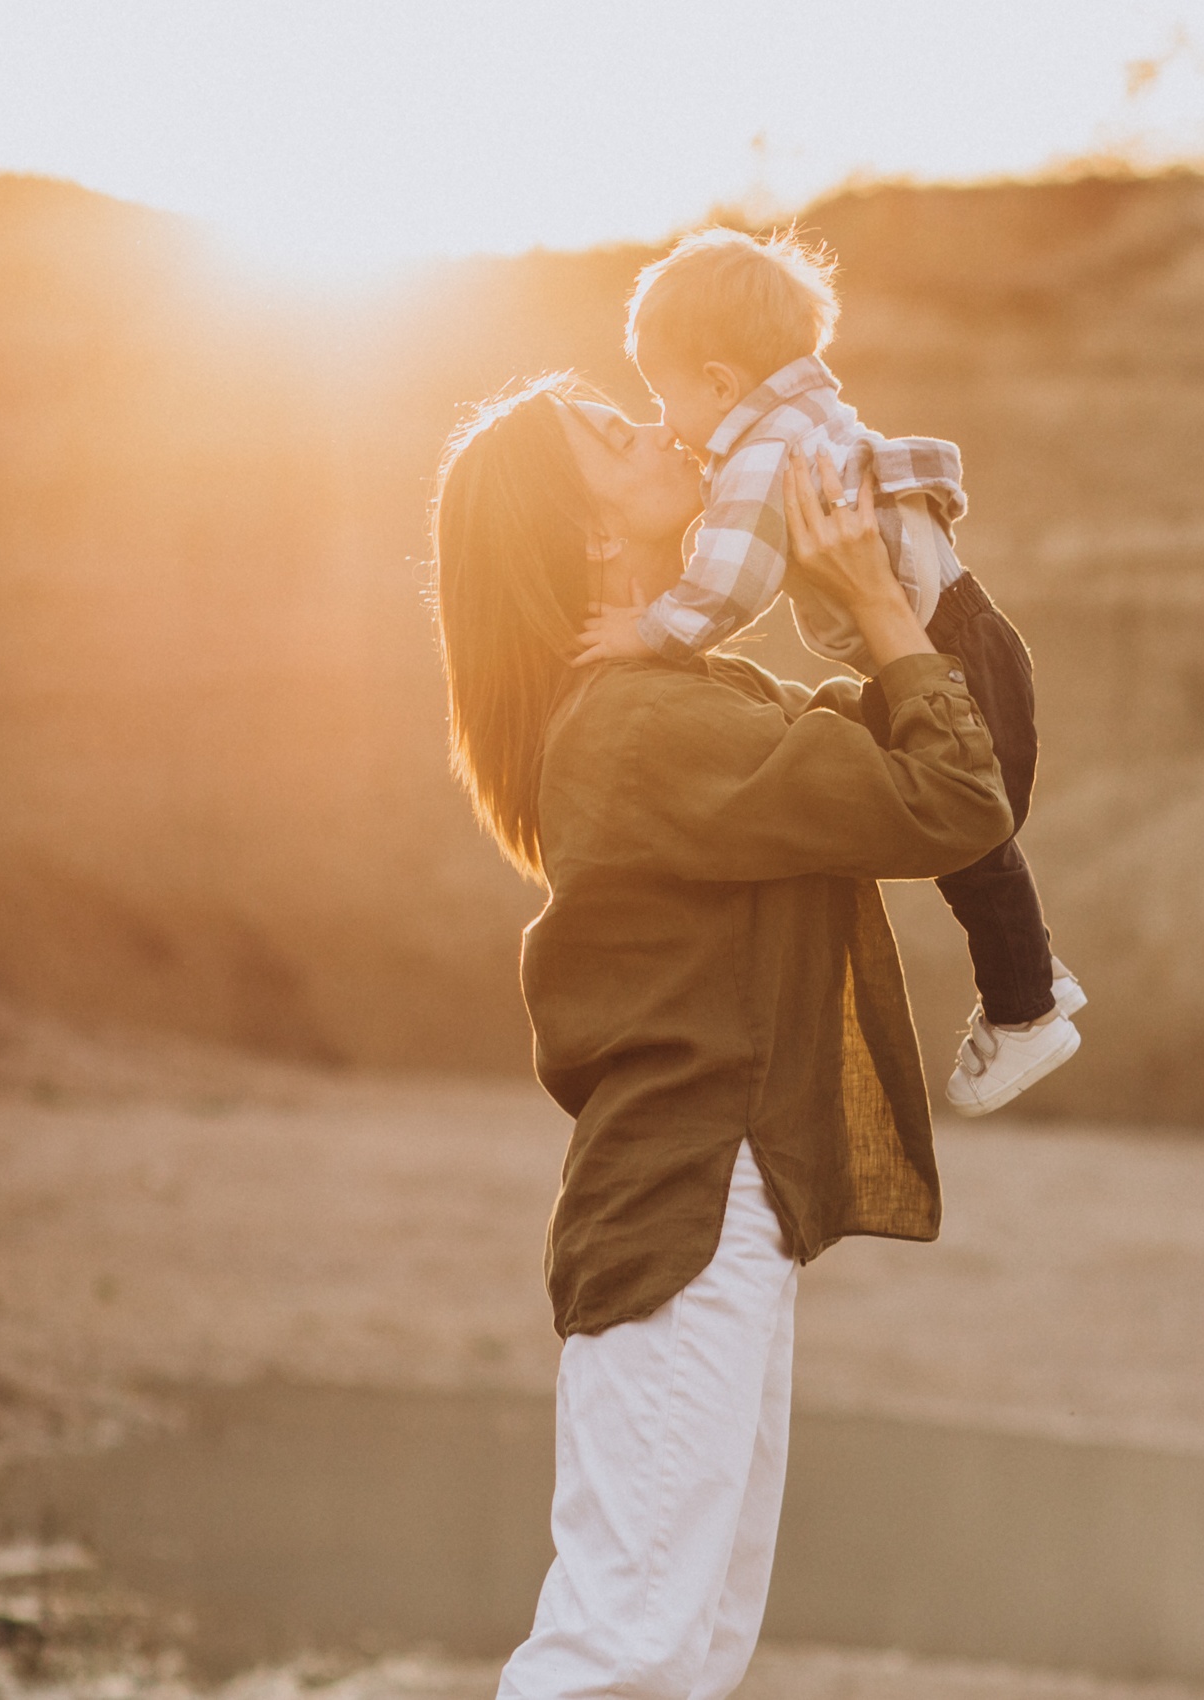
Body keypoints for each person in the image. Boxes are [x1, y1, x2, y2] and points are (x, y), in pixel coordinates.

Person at [431, 371, 1014, 1700]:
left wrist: (891, 594)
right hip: (691, 1208)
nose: (667, 428)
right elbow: (952, 802)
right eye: (616, 434)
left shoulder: (678, 700)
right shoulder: (642, 725)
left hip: (716, 1202)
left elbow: (946, 766)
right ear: (588, 539)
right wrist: (872, 604)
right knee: (625, 1650)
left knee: (679, 1652)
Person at [575, 226, 1082, 1116]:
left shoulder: (761, 453)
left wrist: (652, 631)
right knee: (973, 838)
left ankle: (1028, 1006)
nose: (664, 426)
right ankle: (1033, 980)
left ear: (721, 384)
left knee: (971, 830)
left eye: (664, 399)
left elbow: (732, 581)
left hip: (940, 645)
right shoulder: (807, 417)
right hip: (956, 632)